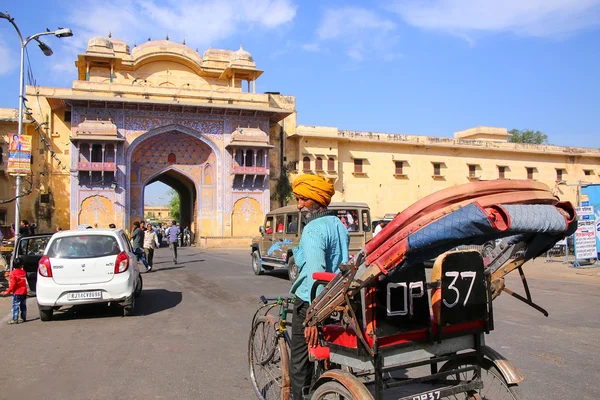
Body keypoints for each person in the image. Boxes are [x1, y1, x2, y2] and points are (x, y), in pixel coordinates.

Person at [289, 174, 349, 400]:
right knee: (330, 356)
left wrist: (312, 319)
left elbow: (316, 277)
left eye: (303, 199)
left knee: (299, 363)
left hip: (310, 303)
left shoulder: (312, 229)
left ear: (316, 199)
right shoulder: (338, 225)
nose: (299, 205)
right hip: (335, 300)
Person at [1, 258, 28, 324]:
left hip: (17, 292)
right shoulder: (23, 272)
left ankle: (15, 319)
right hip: (24, 291)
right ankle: (23, 317)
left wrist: (7, 291)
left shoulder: (13, 273)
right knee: (23, 305)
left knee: (15, 306)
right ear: (22, 265)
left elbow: (13, 284)